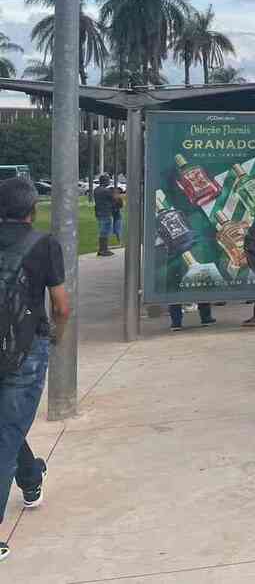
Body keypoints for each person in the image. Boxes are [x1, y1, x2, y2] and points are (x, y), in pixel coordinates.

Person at [0, 177, 69, 562]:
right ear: (32, 210)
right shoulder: (44, 245)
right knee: (6, 434)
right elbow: (61, 306)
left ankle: (29, 478)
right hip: (26, 349)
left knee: (7, 427)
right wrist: (57, 337)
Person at [93, 174, 119, 257]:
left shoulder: (96, 190)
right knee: (105, 232)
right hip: (106, 213)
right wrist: (115, 194)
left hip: (99, 213)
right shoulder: (106, 191)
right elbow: (115, 200)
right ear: (104, 181)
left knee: (102, 231)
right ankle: (104, 250)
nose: (109, 181)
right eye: (108, 180)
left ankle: (102, 249)